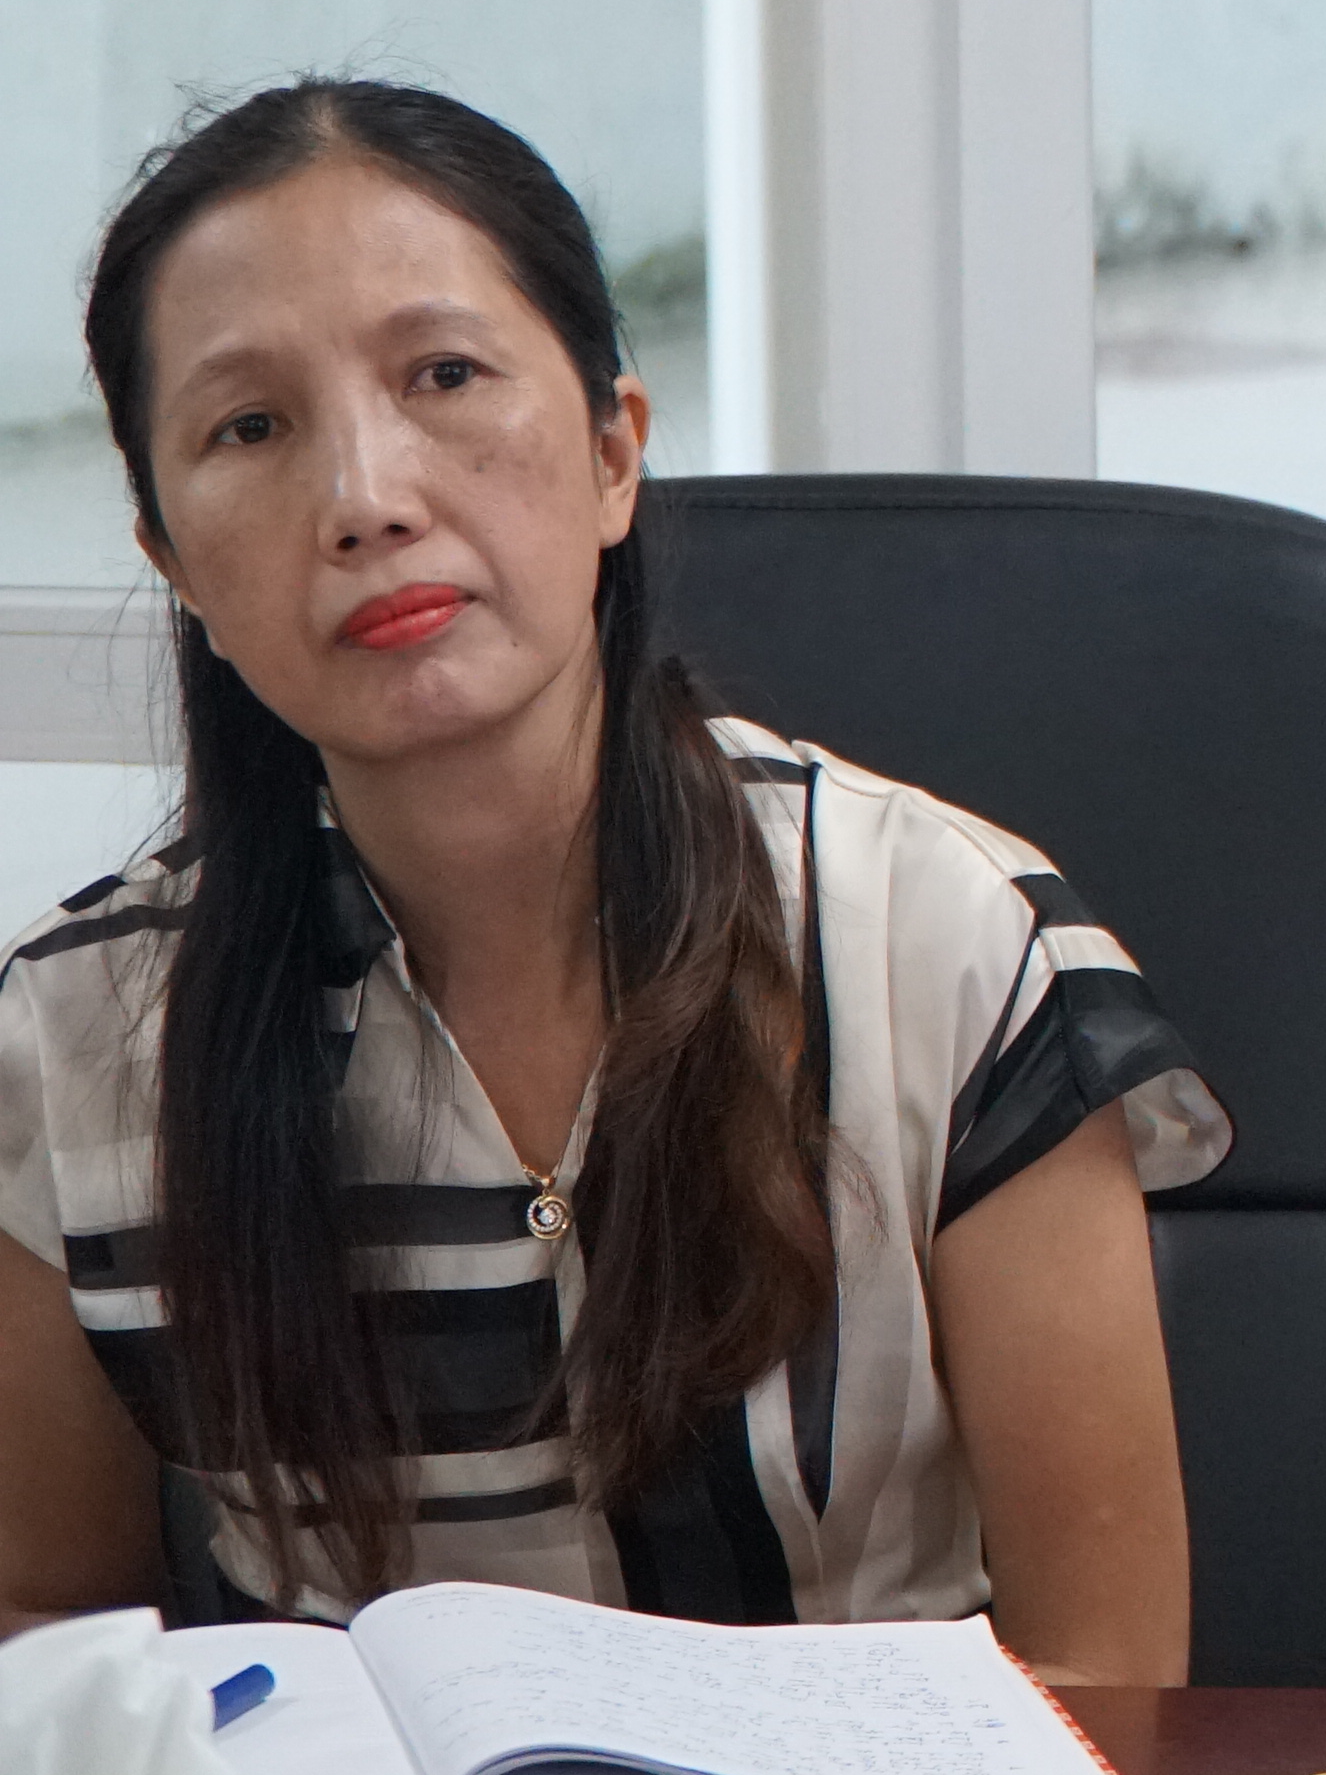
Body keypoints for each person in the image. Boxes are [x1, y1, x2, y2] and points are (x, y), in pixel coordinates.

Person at [0, 80, 1216, 1667]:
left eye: (444, 376)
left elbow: (1113, 1678)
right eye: (251, 427)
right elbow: (50, 1645)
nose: (366, 499)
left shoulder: (945, 941)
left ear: (613, 451)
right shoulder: (74, 1044)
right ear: (173, 559)